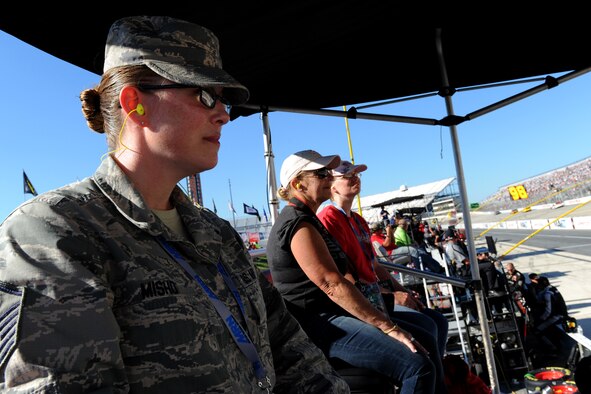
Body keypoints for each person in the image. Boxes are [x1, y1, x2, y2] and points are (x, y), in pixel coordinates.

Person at [0, 16, 348, 393]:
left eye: (223, 100)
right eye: (204, 95)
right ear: (134, 103)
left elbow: (288, 347)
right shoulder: (53, 233)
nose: (224, 114)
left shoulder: (219, 235)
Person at [267, 150, 436, 394]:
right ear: (297, 183)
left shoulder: (305, 218)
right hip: (320, 324)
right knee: (418, 366)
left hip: (328, 318)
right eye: (321, 173)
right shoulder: (298, 223)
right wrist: (388, 327)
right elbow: (331, 284)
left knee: (422, 348)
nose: (328, 178)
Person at [317, 160, 449, 392]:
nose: (355, 178)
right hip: (364, 304)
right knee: (426, 335)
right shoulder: (329, 218)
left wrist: (403, 291)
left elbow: (374, 264)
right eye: (347, 175)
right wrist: (392, 296)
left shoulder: (357, 220)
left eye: (356, 174)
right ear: (333, 186)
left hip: (378, 299)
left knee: (437, 321)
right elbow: (342, 276)